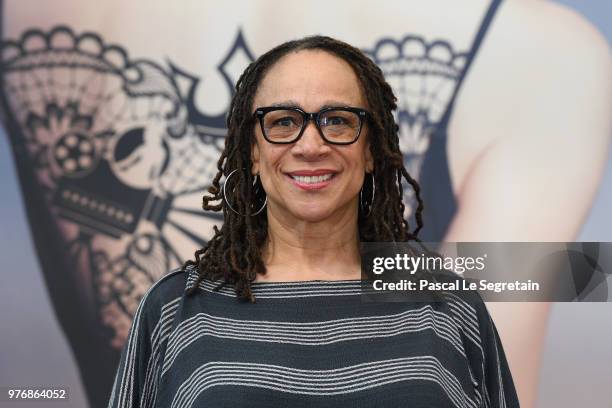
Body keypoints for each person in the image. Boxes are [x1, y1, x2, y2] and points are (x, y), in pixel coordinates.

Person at [107, 35, 519, 408]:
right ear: (251, 151)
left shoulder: (448, 304)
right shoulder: (175, 308)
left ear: (372, 149)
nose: (310, 145)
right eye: (282, 122)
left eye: (337, 120)